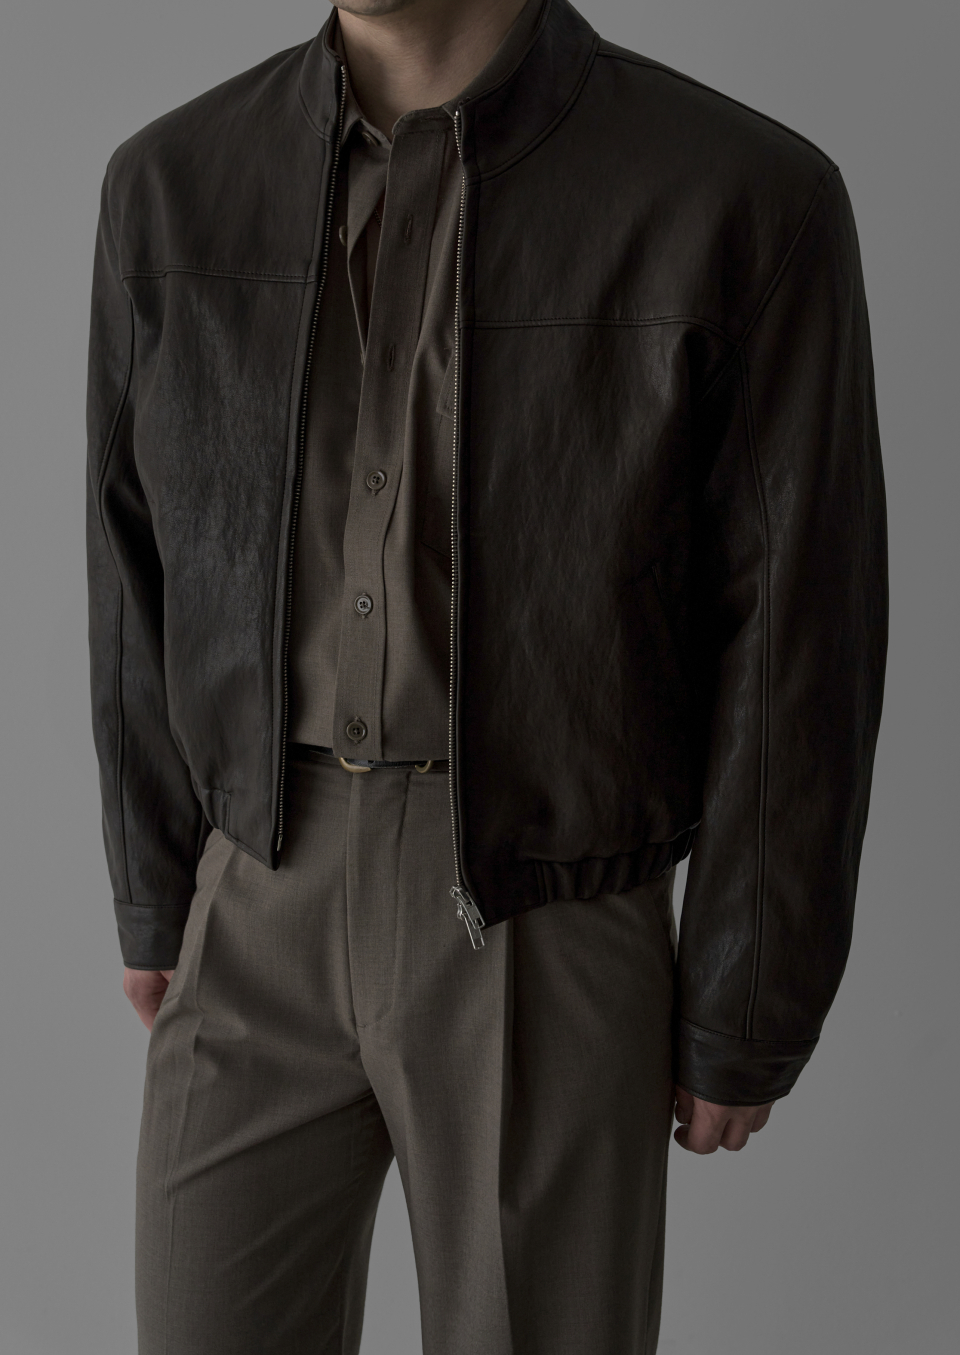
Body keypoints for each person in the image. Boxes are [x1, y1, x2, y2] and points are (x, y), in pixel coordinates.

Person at [85, 0, 887, 1350]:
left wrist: (753, 988)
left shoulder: (742, 194)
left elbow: (804, 624)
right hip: (255, 884)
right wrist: (156, 888)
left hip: (545, 907)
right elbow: (128, 557)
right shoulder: (169, 185)